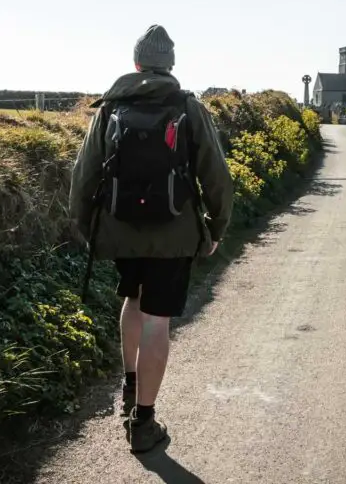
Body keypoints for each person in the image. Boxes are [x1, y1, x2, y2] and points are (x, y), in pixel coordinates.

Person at [69, 24, 234, 453]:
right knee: (158, 319)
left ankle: (129, 384)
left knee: (133, 300)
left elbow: (83, 175)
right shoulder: (187, 106)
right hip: (174, 231)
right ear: (170, 65)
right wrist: (215, 229)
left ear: (137, 62)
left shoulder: (110, 108)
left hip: (121, 230)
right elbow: (216, 176)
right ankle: (143, 422)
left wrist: (89, 228)